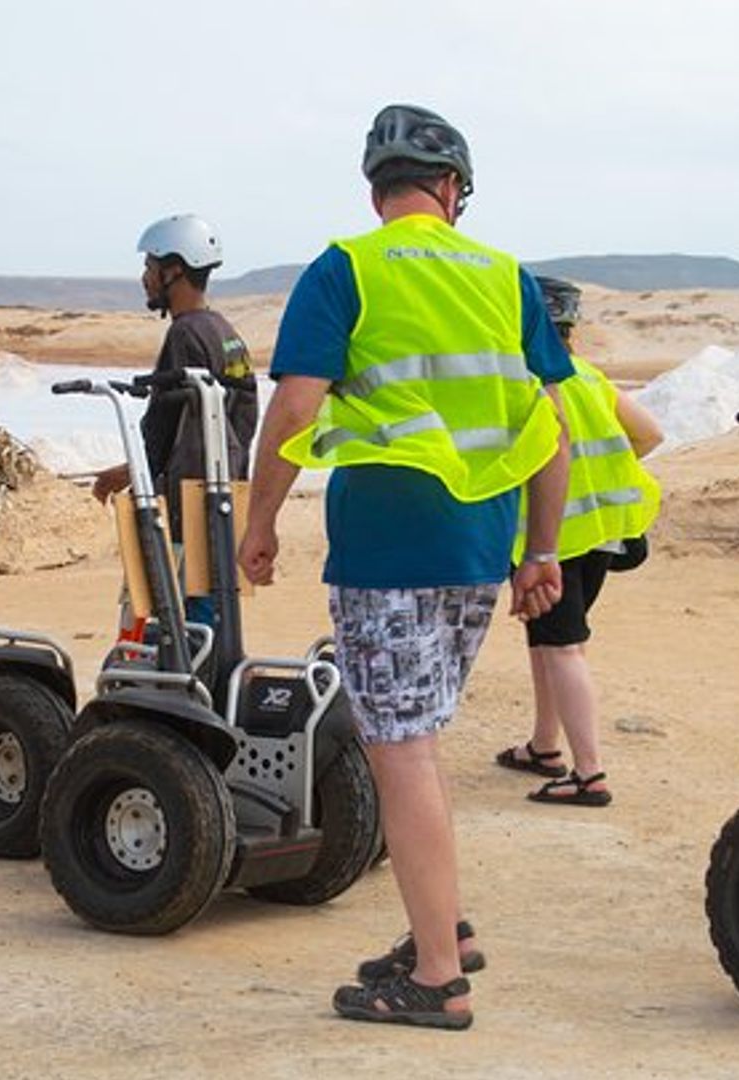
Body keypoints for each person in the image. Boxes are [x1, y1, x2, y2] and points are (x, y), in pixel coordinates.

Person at [237, 105, 573, 1030]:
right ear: (453, 189)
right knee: (416, 737)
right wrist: (539, 552)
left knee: (403, 748)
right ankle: (445, 928)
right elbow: (553, 430)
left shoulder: (346, 267)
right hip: (477, 547)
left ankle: (435, 978)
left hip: (385, 551)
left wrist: (259, 520)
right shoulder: (507, 277)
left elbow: (295, 412)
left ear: (376, 189)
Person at [493, 276, 663, 806]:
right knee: (552, 638)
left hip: (554, 538)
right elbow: (650, 434)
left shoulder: (528, 383)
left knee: (563, 647)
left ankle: (589, 773)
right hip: (603, 535)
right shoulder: (590, 378)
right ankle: (545, 746)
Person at [91, 214, 258, 627]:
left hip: (189, 501)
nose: (144, 278)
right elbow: (243, 421)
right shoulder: (224, 331)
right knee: (215, 612)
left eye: (150, 268)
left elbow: (161, 429)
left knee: (180, 618)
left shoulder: (185, 335)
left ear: (175, 270)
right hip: (224, 494)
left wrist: (124, 474)